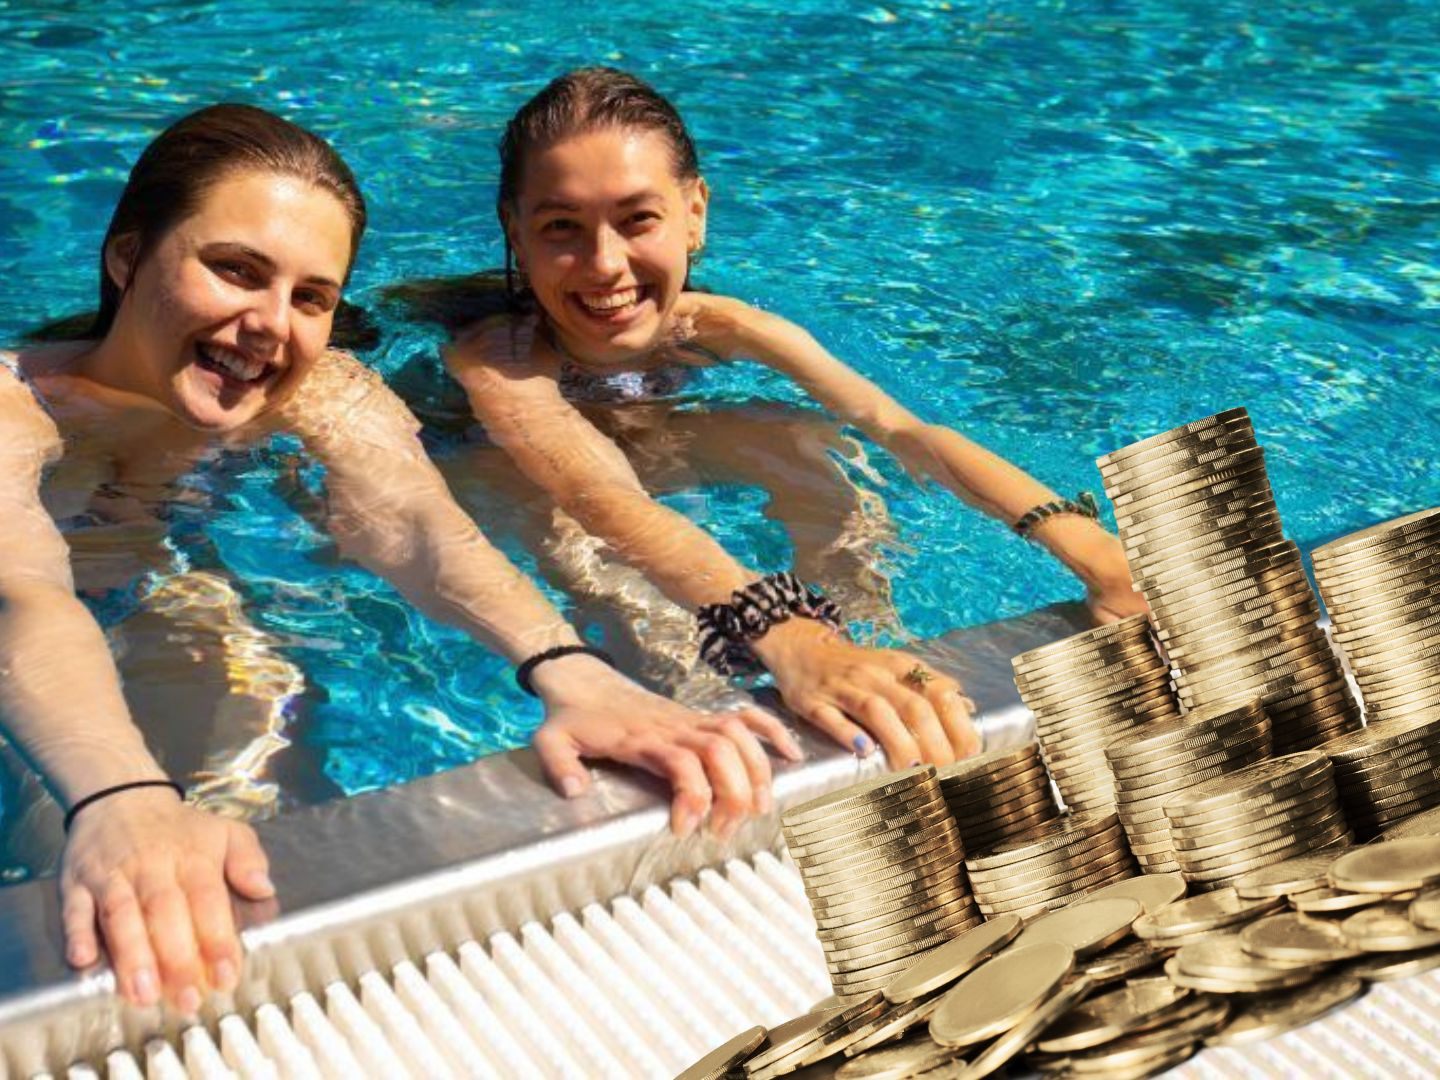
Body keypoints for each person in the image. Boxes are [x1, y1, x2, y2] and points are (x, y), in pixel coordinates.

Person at [0, 103, 798, 1013]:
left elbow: (417, 524)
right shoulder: (18, 404)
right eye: (236, 271)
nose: (270, 326)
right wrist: (118, 796)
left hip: (162, 579)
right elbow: (23, 593)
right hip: (43, 646)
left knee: (264, 746)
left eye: (311, 298)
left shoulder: (319, 387)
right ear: (126, 256)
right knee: (96, 867)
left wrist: (571, 669)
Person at [444, 67, 1147, 770]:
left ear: (694, 213)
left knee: (812, 441)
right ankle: (697, 691)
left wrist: (1095, 552)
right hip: (515, 469)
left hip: (640, 440)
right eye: (561, 227)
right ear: (515, 231)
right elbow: (598, 494)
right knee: (564, 527)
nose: (605, 266)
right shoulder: (497, 358)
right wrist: (786, 633)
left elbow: (899, 429)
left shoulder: (723, 325)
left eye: (638, 220)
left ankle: (869, 640)